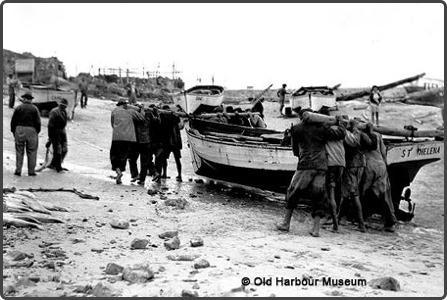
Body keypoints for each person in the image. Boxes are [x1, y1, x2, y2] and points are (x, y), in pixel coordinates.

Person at [276, 108, 345, 237]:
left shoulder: (296, 129)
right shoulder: (321, 128)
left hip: (305, 165)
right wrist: (340, 123)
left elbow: (295, 151)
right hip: (322, 166)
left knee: (293, 192)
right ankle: (316, 230)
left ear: (301, 117)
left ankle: (286, 223)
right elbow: (340, 134)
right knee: (318, 196)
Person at [339, 119, 376, 232]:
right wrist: (371, 131)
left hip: (351, 165)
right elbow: (372, 144)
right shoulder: (362, 134)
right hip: (361, 164)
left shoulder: (349, 135)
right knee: (347, 192)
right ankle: (340, 217)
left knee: (353, 194)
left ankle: (361, 224)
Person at [361, 124, 397, 232]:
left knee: (363, 192)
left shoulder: (360, 134)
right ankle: (390, 222)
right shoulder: (378, 135)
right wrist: (386, 166)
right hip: (381, 165)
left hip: (369, 165)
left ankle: (361, 218)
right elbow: (384, 152)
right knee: (384, 194)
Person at [319, 111, 346, 232]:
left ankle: (333, 222)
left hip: (330, 164)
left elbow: (323, 132)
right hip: (341, 163)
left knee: (330, 193)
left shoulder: (326, 131)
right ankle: (337, 217)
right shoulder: (341, 130)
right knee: (338, 191)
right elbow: (343, 132)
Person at [110, 100, 144, 184]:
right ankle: (135, 175)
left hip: (117, 138)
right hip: (130, 139)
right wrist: (141, 109)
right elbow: (142, 118)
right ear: (126, 105)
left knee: (114, 156)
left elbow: (112, 124)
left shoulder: (114, 111)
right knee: (126, 157)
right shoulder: (131, 112)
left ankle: (118, 172)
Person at [10, 92, 41, 176]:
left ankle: (18, 170)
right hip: (32, 130)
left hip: (19, 129)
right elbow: (38, 123)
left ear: (24, 99)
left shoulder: (18, 108)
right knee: (32, 151)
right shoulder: (35, 109)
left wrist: (14, 132)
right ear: (30, 99)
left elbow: (13, 122)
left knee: (19, 151)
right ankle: (31, 172)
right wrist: (36, 132)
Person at [160, 105, 184, 182]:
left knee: (164, 159)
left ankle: (164, 174)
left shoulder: (163, 118)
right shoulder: (174, 117)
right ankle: (179, 175)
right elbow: (180, 124)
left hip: (167, 142)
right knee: (177, 159)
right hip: (175, 142)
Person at [47, 99, 69, 172]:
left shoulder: (64, 112)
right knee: (58, 150)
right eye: (62, 106)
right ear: (59, 105)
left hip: (62, 132)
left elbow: (64, 123)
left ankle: (54, 164)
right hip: (55, 132)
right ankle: (58, 167)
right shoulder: (54, 112)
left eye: (65, 106)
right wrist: (50, 138)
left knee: (64, 149)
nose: (64, 107)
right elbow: (50, 125)